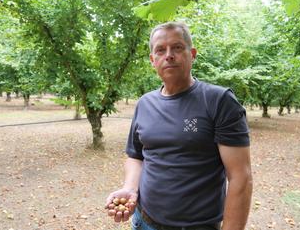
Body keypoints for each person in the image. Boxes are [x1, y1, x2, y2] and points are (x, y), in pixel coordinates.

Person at [105, 22, 252, 230]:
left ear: (192, 54)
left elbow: (240, 177)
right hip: (143, 221)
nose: (169, 55)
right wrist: (130, 188)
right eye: (160, 50)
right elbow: (136, 156)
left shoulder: (219, 101)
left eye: (177, 47)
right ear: (152, 60)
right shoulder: (145, 104)